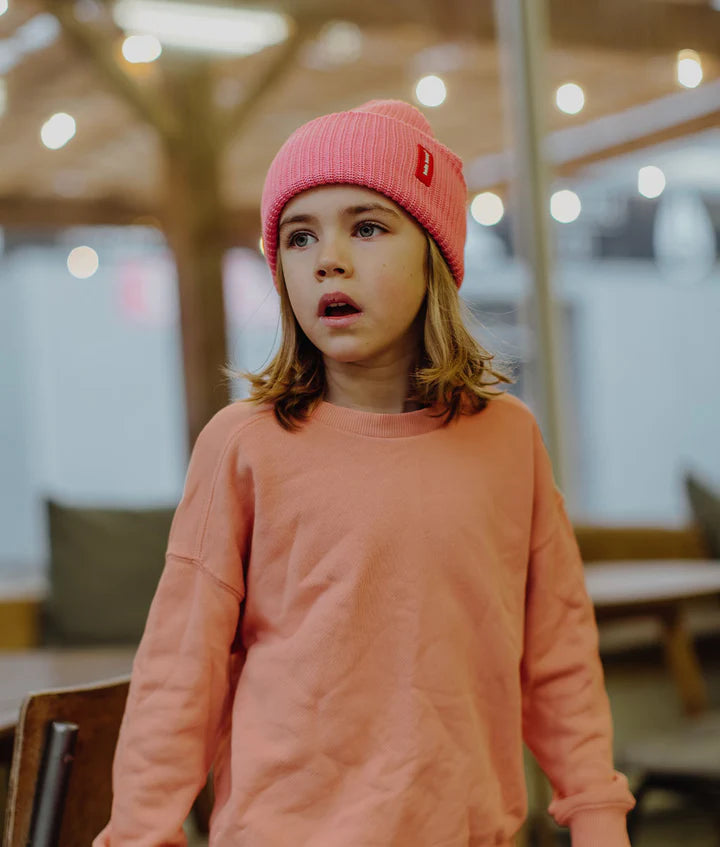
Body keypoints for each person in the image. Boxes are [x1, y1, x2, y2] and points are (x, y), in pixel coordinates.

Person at [94, 99, 635, 847]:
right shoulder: (242, 445)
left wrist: (599, 816)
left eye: (368, 227)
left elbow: (559, 654)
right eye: (299, 236)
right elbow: (178, 676)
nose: (328, 259)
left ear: (434, 255)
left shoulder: (510, 439)